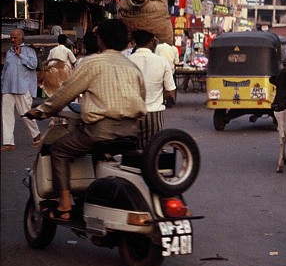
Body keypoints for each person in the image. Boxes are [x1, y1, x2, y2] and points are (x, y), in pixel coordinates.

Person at [24, 19, 146, 222]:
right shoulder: (132, 67)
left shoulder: (92, 63)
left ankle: (64, 206)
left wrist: (41, 111)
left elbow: (64, 93)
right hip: (132, 132)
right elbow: (142, 97)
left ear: (101, 40)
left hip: (100, 131)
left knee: (59, 149)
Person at [128, 30, 176, 147]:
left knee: (131, 154)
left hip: (131, 115)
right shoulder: (162, 62)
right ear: (151, 41)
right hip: (154, 116)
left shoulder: (127, 61)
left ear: (135, 41)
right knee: (152, 154)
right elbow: (171, 93)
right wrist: (157, 94)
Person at [2, 29, 42, 151]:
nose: (13, 40)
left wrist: (21, 55)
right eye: (11, 38)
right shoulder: (9, 52)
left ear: (21, 38)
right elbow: (5, 71)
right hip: (8, 88)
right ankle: (8, 142)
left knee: (25, 114)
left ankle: (36, 135)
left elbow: (33, 65)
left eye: (15, 37)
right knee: (6, 115)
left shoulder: (29, 51)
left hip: (22, 88)